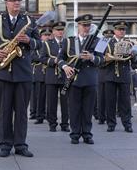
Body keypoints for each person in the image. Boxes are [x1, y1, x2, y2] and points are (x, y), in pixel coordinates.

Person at [0, 0, 40, 158]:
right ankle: (5, 144)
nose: (17, 3)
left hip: (23, 72)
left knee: (21, 112)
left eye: (19, 0)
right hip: (3, 72)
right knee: (4, 110)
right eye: (13, 1)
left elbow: (40, 44)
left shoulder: (29, 20)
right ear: (6, 3)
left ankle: (21, 144)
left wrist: (29, 40)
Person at [58, 14, 102, 145]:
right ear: (78, 26)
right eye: (84, 25)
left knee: (88, 109)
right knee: (74, 108)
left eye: (88, 25)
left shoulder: (96, 41)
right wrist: (65, 66)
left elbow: (102, 59)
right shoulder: (69, 41)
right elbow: (60, 58)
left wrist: (92, 58)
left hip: (90, 79)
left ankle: (87, 134)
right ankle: (75, 134)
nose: (86, 28)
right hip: (74, 79)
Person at [101, 21, 133, 133]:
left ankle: (127, 124)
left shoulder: (129, 43)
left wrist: (133, 56)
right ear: (114, 30)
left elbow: (133, 63)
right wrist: (109, 58)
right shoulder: (105, 41)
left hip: (124, 75)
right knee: (110, 101)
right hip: (110, 75)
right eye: (119, 29)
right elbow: (98, 59)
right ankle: (111, 123)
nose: (122, 31)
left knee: (125, 101)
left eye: (123, 29)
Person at [41, 22, 69, 132]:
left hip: (65, 77)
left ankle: (65, 124)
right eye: (57, 30)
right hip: (51, 77)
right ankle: (52, 124)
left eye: (62, 30)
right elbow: (42, 58)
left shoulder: (67, 43)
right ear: (53, 31)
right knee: (51, 102)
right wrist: (54, 61)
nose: (60, 32)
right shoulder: (47, 43)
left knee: (65, 102)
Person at [30, 29, 50, 124]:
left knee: (49, 97)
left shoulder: (51, 45)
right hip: (39, 73)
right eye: (45, 35)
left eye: (48, 35)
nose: (47, 36)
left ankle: (48, 114)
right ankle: (38, 114)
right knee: (39, 96)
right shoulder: (37, 46)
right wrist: (44, 59)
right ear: (41, 36)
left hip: (50, 73)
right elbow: (32, 57)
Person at [95, 28, 114, 124]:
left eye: (111, 36)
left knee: (110, 97)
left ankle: (109, 116)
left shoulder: (114, 43)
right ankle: (101, 117)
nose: (109, 38)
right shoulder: (101, 43)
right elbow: (98, 56)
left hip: (111, 73)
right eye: (107, 36)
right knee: (101, 96)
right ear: (104, 36)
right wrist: (105, 60)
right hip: (102, 72)